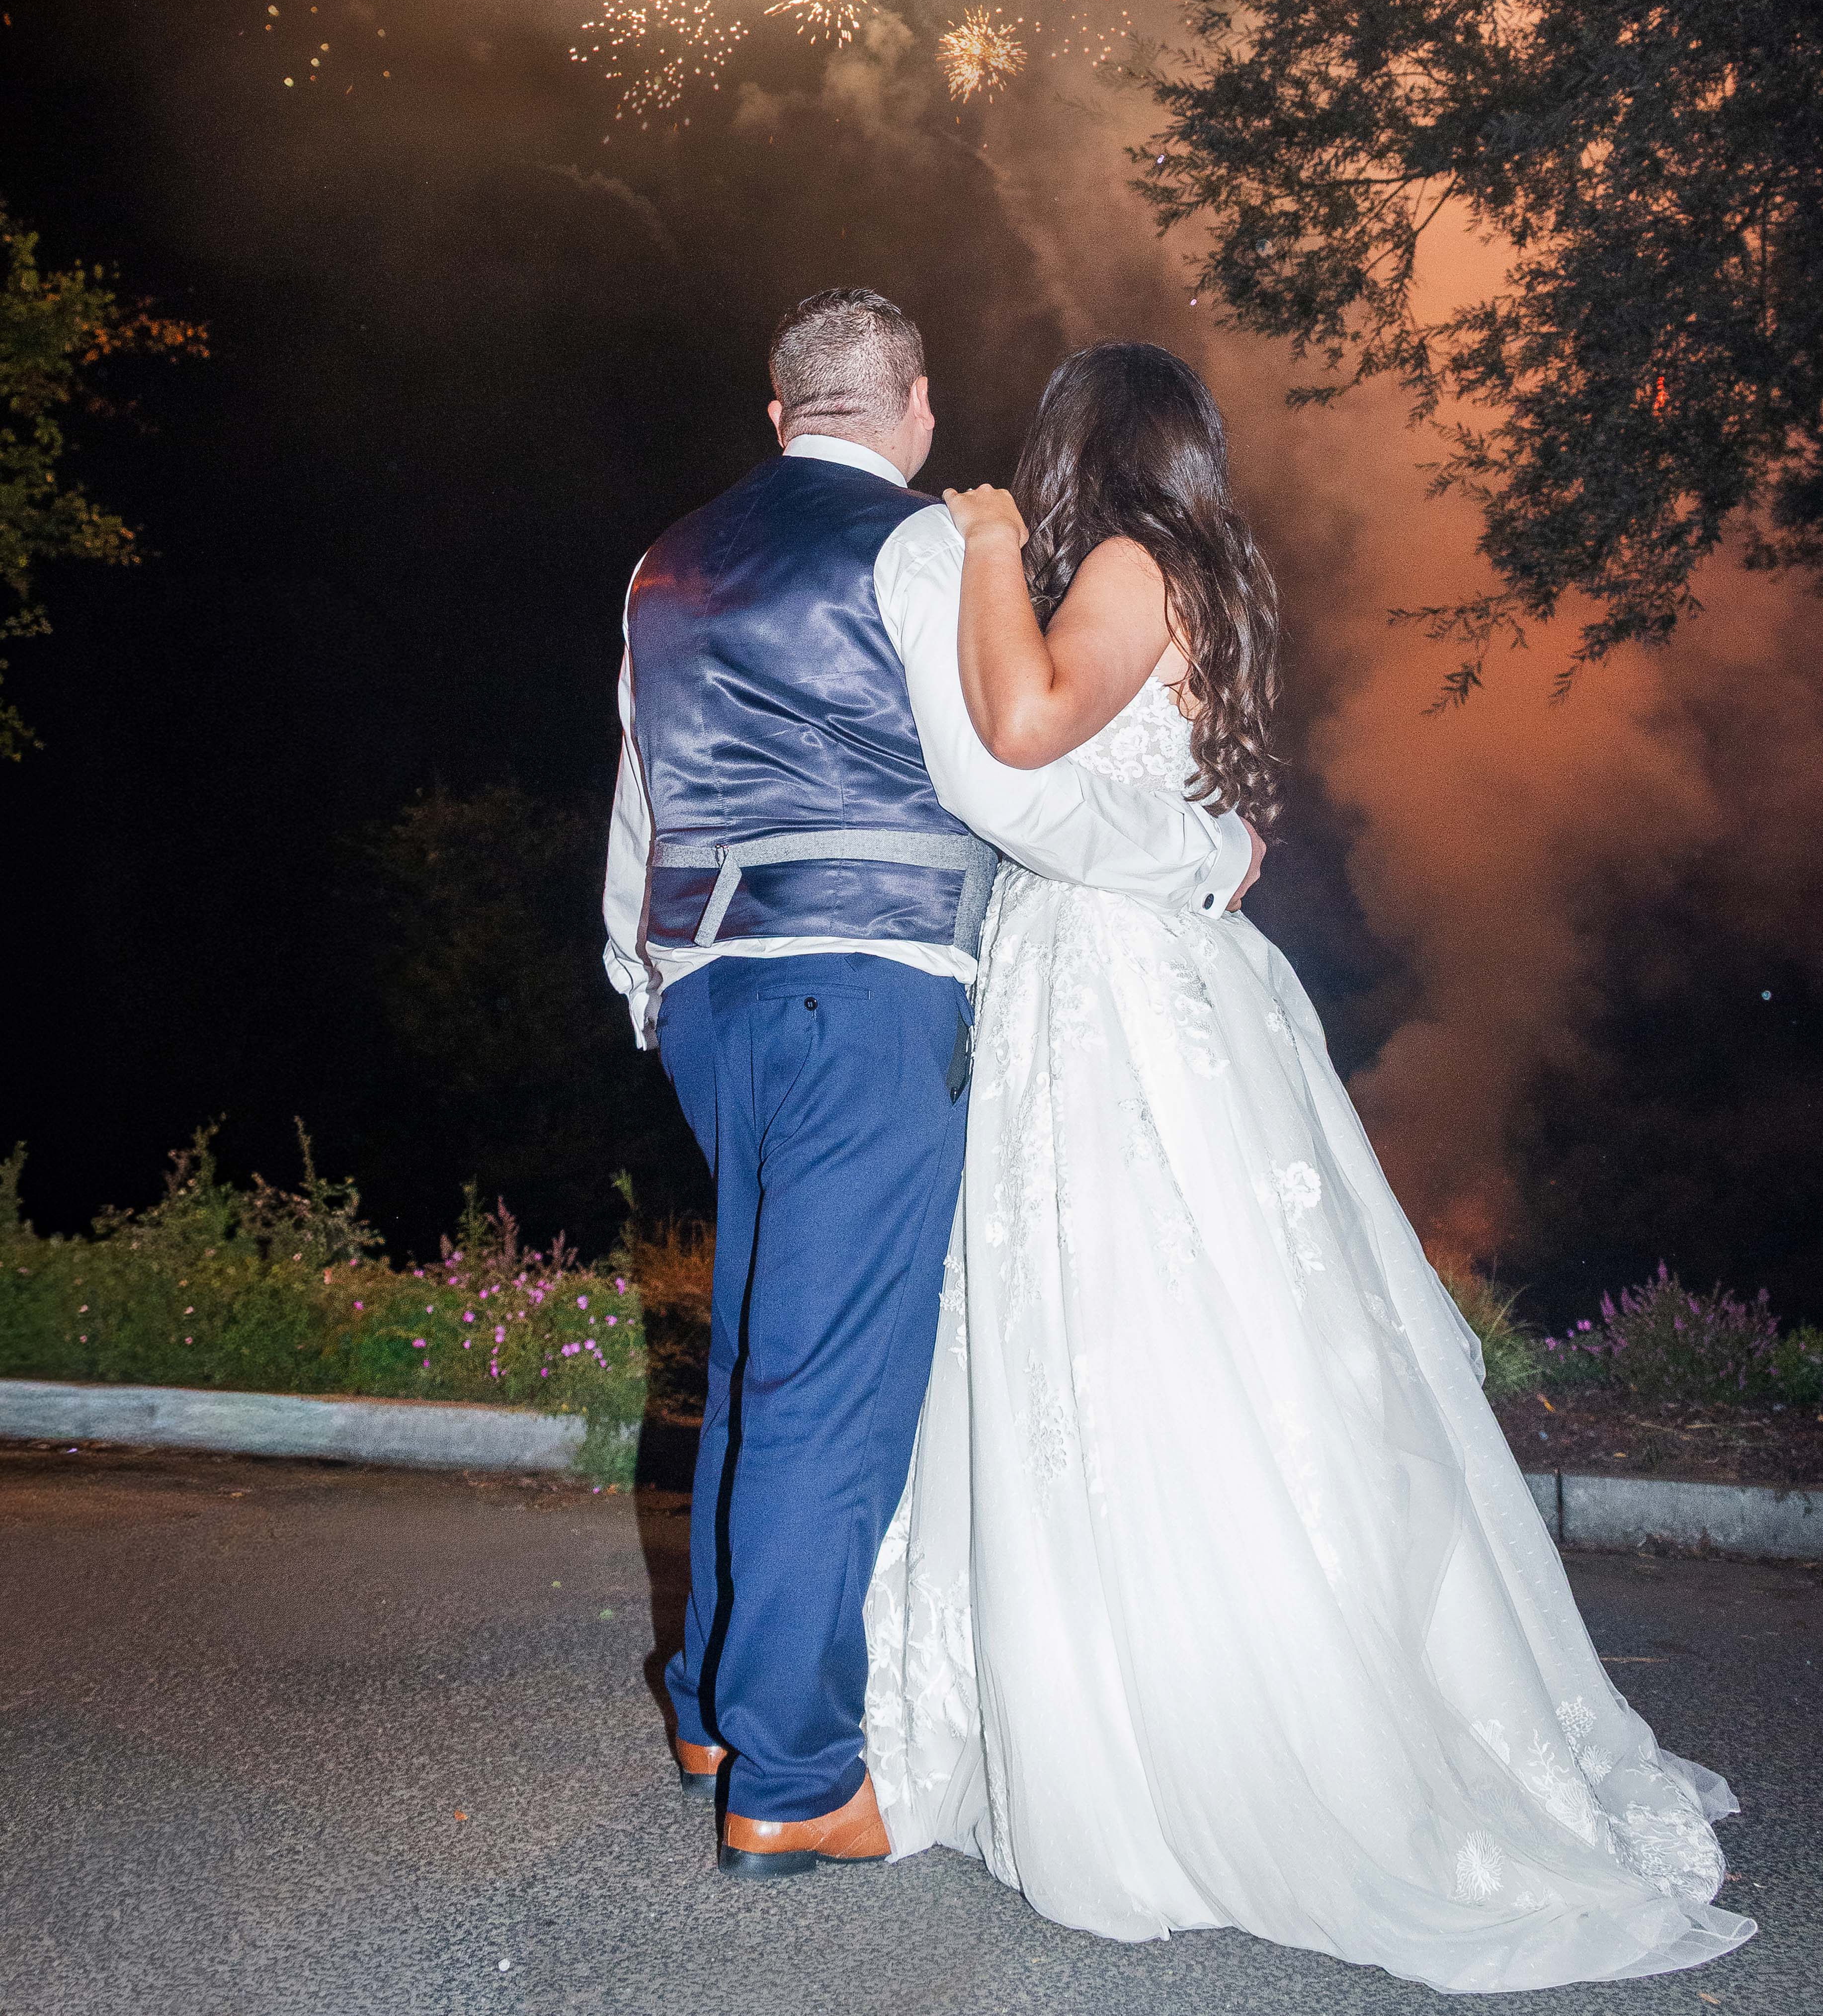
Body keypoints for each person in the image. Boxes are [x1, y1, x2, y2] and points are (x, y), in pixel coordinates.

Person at [864, 339, 1755, 1992]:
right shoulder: (1190, 570)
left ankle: (1198, 1739)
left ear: (1078, 453)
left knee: (1139, 1329)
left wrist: (982, 546)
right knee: (1160, 1335)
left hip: (1118, 992)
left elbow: (1023, 722)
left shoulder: (1124, 565)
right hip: (1132, 971)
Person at [601, 293, 1261, 1877]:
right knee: (828, 1385)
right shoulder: (920, 549)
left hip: (705, 992)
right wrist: (1196, 853)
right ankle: (792, 1774)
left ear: (779, 416)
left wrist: (645, 978)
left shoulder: (665, 561)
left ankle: (708, 1707)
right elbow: (1001, 785)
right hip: (871, 991)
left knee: (755, 1354)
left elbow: (643, 788)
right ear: (914, 409)